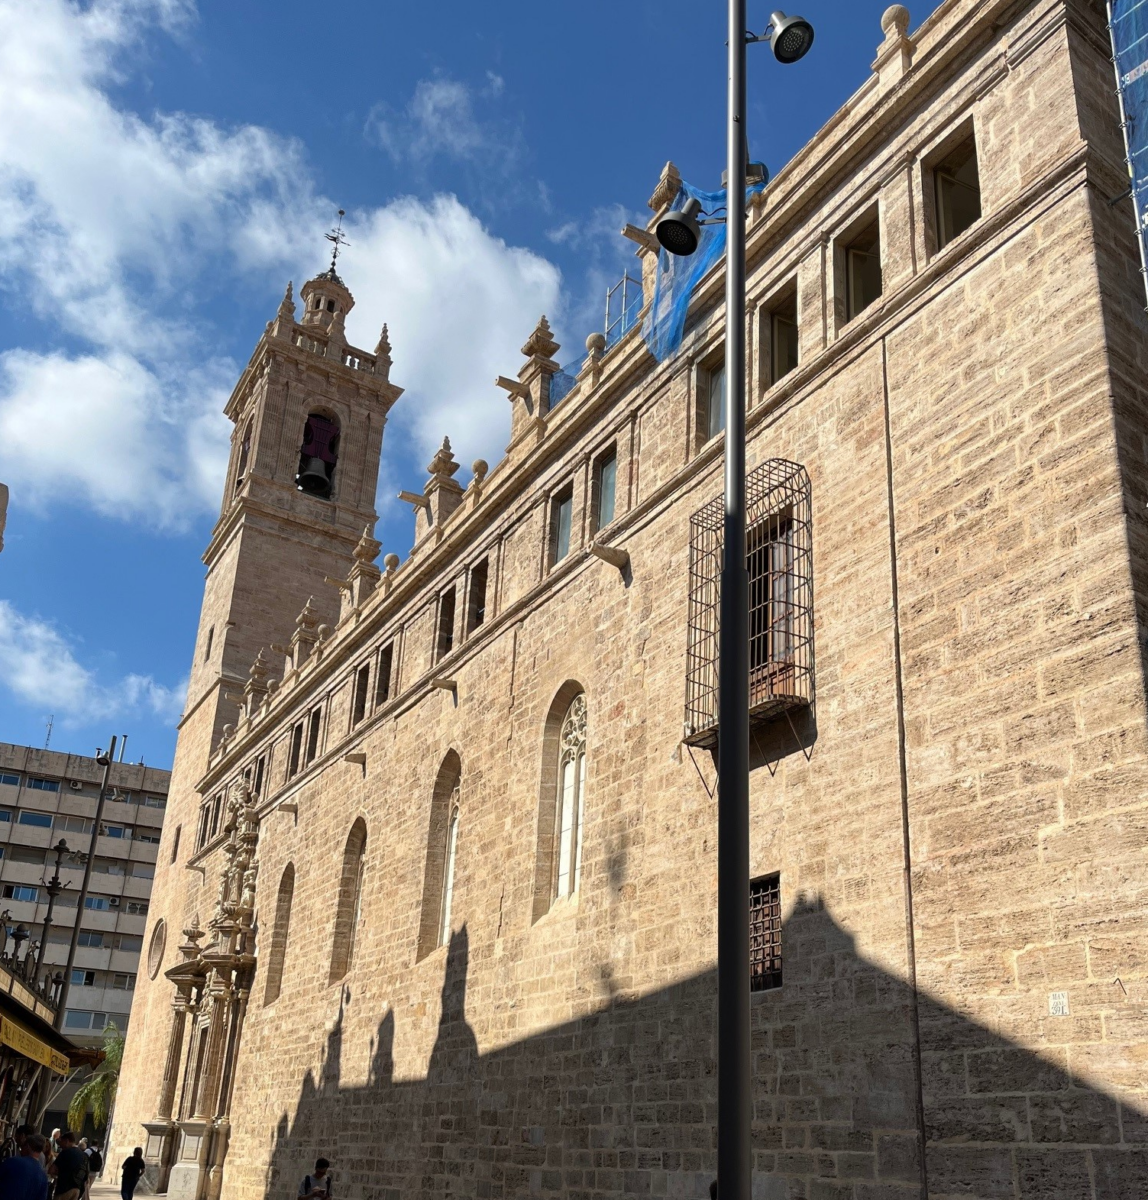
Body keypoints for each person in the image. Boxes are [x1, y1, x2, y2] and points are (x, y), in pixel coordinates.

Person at [0, 1132, 49, 1200]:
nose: (20, 1150)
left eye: (22, 1147)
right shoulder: (43, 1176)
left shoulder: (13, 1162)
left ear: (27, 1147)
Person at [48, 1131, 88, 1200]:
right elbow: (86, 1176)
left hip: (63, 1189)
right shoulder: (84, 1155)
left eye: (61, 1142)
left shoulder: (65, 1152)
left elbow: (51, 1170)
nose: (60, 1145)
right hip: (77, 1190)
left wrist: (59, 1173)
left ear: (66, 1141)